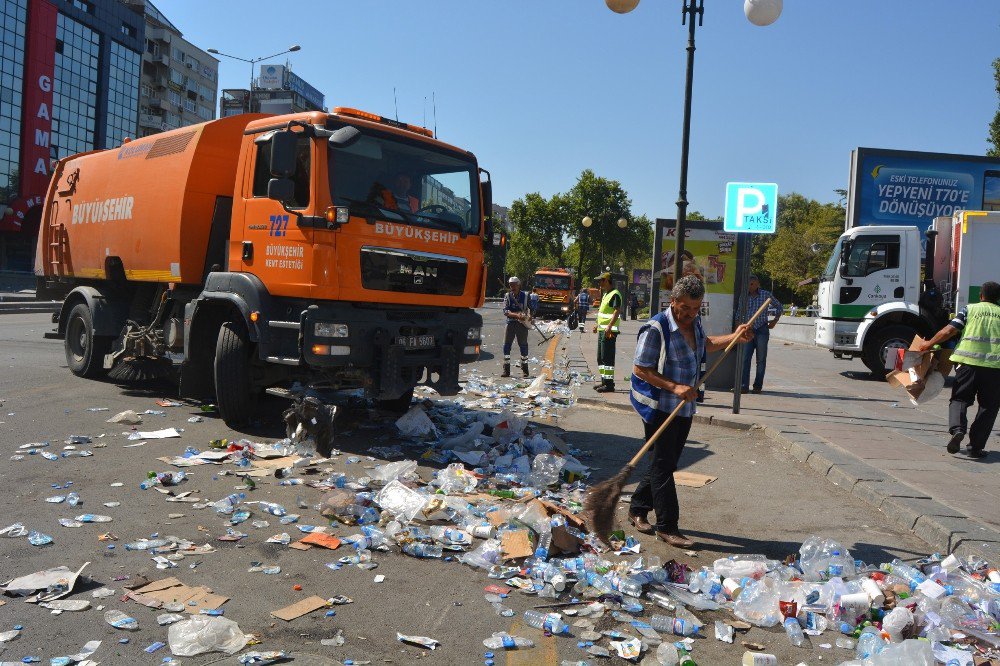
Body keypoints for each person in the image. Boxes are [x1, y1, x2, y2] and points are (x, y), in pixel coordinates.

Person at [628, 275, 753, 546]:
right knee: (663, 466)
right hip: (659, 406)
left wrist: (734, 337)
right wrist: (674, 387)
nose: (690, 314)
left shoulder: (695, 323)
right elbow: (641, 368)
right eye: (685, 308)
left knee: (667, 461)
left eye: (696, 309)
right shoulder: (656, 329)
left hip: (685, 407)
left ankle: (637, 507)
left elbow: (705, 344)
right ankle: (667, 526)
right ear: (673, 301)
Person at [918, 280, 1000, 459]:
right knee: (988, 407)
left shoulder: (969, 310)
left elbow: (949, 331)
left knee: (960, 399)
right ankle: (975, 448)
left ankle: (958, 429)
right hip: (995, 369)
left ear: (981, 296)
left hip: (967, 364)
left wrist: (928, 344)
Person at [741, 274, 782, 394]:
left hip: (762, 330)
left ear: (758, 284)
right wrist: (738, 330)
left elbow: (779, 306)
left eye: (752, 284)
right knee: (745, 359)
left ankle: (757, 386)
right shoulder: (743, 296)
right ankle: (743, 386)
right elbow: (739, 313)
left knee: (761, 359)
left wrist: (775, 320)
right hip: (748, 330)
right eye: (748, 284)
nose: (750, 286)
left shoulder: (766, 295)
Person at [593, 272, 622, 393]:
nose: (599, 283)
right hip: (602, 330)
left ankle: (609, 385)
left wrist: (609, 326)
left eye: (601, 280)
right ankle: (604, 381)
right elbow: (602, 312)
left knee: (607, 358)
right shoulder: (605, 294)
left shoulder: (615, 294)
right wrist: (596, 324)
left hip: (609, 331)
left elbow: (616, 311)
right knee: (600, 358)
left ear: (607, 280)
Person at [501, 276, 531, 378]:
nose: (512, 287)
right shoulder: (507, 296)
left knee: (523, 346)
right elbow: (505, 311)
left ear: (519, 285)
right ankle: (506, 370)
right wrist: (516, 315)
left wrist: (530, 316)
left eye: (514, 285)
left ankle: (525, 369)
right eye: (510, 285)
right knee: (506, 346)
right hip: (510, 323)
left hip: (522, 324)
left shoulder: (526, 296)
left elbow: (532, 308)